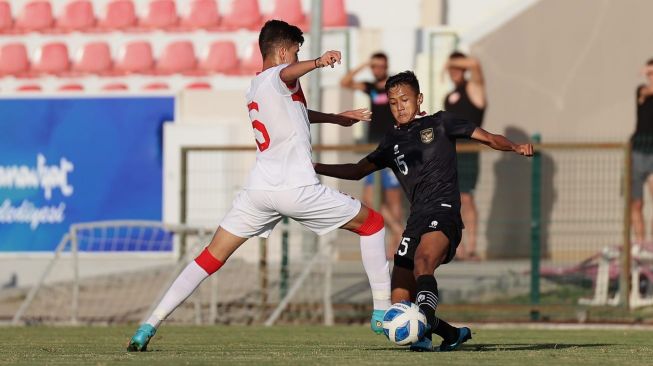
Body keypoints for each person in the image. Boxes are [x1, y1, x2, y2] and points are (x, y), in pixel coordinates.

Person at [127, 20, 392, 351]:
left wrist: (336, 118)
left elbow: (295, 111)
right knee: (373, 224)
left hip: (258, 192)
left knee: (210, 256)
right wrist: (318, 62)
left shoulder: (255, 86)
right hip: (295, 188)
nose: (297, 56)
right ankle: (382, 311)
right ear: (283, 52)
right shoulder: (277, 77)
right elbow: (286, 75)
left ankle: (149, 323)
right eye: (296, 51)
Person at [314, 71, 533, 351]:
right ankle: (451, 334)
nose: (399, 107)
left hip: (444, 211)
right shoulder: (391, 141)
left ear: (418, 99)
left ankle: (424, 332)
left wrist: (514, 146)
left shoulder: (441, 122)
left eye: (404, 100)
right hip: (415, 218)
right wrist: (315, 167)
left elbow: (488, 138)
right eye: (392, 102)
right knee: (400, 301)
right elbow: (358, 171)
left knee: (423, 264)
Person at [341, 52, 404, 258]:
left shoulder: (394, 86)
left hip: (393, 145)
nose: (378, 70)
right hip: (374, 147)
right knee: (369, 196)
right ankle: (397, 230)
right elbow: (346, 82)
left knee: (393, 199)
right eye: (374, 66)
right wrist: (365, 63)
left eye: (380, 66)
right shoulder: (370, 87)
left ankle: (397, 245)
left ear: (386, 67)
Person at [443, 51, 486, 260]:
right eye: (451, 68)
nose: (453, 72)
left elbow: (475, 63)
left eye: (457, 67)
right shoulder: (449, 97)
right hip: (450, 152)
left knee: (467, 198)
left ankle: (471, 247)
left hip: (469, 152)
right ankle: (456, 247)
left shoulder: (473, 89)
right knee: (453, 200)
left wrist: (449, 61)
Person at [631, 58, 653, 244]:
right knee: (636, 203)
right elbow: (647, 91)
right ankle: (640, 244)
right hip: (638, 152)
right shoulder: (642, 91)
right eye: (650, 73)